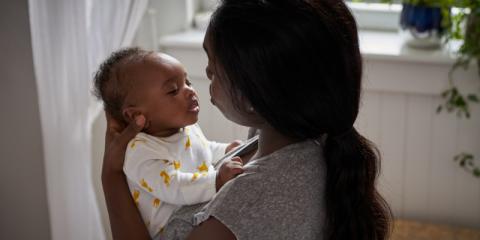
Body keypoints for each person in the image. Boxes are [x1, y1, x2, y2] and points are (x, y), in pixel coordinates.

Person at [101, 0, 393, 239]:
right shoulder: (310, 140)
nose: (204, 79)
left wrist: (112, 178)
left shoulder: (244, 206)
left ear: (253, 96)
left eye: (213, 69)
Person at [93, 48, 243, 238]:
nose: (189, 91)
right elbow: (173, 186)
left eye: (187, 82)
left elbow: (203, 149)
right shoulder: (139, 152)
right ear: (136, 115)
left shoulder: (184, 129)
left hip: (196, 215)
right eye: (173, 90)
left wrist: (225, 150)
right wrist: (216, 180)